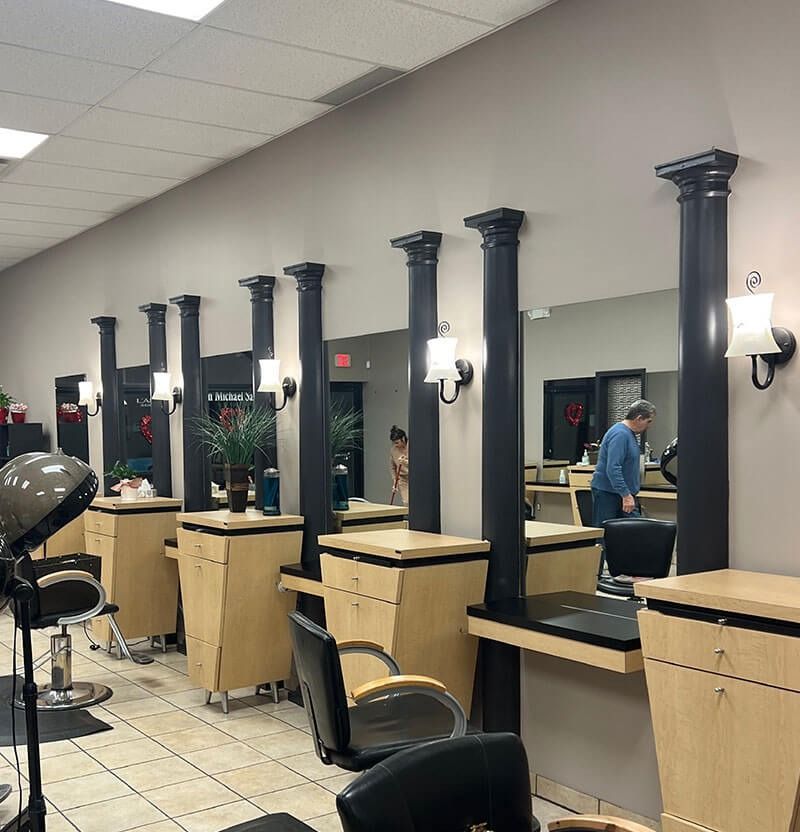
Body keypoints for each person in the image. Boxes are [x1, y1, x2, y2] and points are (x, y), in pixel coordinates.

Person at [591, 399, 656, 528]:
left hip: (620, 493)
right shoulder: (620, 434)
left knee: (631, 532)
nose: (649, 426)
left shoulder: (628, 434)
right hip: (610, 494)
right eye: (648, 421)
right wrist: (626, 495)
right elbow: (613, 468)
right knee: (606, 534)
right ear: (639, 418)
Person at [389, 426, 409, 506]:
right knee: (406, 502)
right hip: (402, 479)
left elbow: (419, 464)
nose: (395, 445)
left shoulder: (413, 446)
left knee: (417, 501)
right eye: (394, 443)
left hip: (416, 478)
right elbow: (392, 467)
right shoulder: (393, 450)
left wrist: (405, 462)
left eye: (397, 442)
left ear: (403, 439)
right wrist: (395, 480)